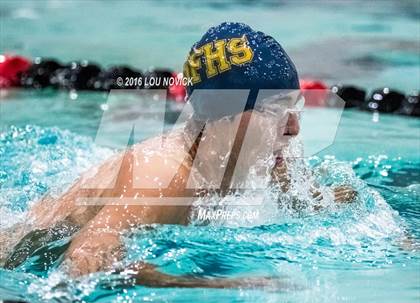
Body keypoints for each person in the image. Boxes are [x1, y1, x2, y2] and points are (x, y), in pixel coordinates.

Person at [1, 22, 356, 288]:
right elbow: (83, 263)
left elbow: (320, 204)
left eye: (296, 107)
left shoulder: (267, 157)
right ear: (226, 115)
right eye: (277, 109)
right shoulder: (162, 179)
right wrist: (217, 287)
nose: (294, 128)